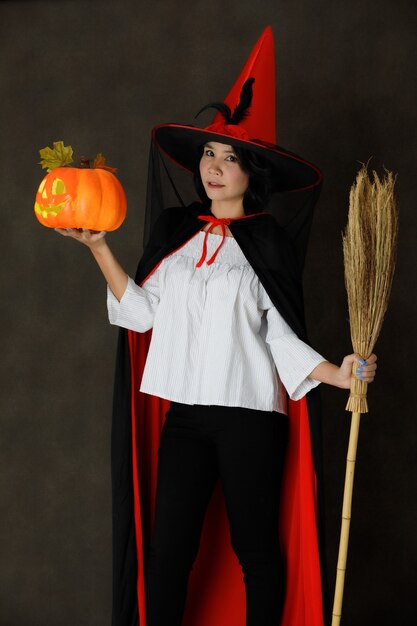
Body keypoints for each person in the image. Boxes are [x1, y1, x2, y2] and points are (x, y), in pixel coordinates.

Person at [55, 28, 377, 626]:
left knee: (254, 550)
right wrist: (99, 248)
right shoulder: (177, 235)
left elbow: (280, 337)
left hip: (249, 417)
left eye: (230, 158)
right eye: (209, 153)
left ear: (252, 172)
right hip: (186, 416)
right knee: (169, 552)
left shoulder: (265, 244)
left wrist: (338, 373)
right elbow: (143, 316)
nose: (215, 166)